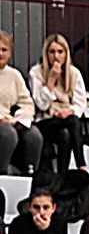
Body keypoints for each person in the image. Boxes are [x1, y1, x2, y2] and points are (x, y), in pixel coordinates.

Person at [28, 33, 89, 178]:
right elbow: (41, 105)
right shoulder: (36, 72)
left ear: (66, 54)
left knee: (65, 134)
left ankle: (62, 176)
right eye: (52, 52)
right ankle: (81, 164)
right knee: (73, 121)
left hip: (66, 119)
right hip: (45, 120)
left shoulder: (74, 73)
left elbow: (80, 104)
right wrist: (51, 80)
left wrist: (69, 111)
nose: (56, 56)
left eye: (60, 52)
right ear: (46, 54)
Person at [0, 30, 46, 181]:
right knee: (8, 134)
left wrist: (19, 119)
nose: (0, 54)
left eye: (4, 50)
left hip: (10, 120)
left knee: (34, 135)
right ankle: (3, 176)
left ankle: (30, 177)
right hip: (3, 123)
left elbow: (27, 103)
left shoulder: (14, 75)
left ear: (10, 53)